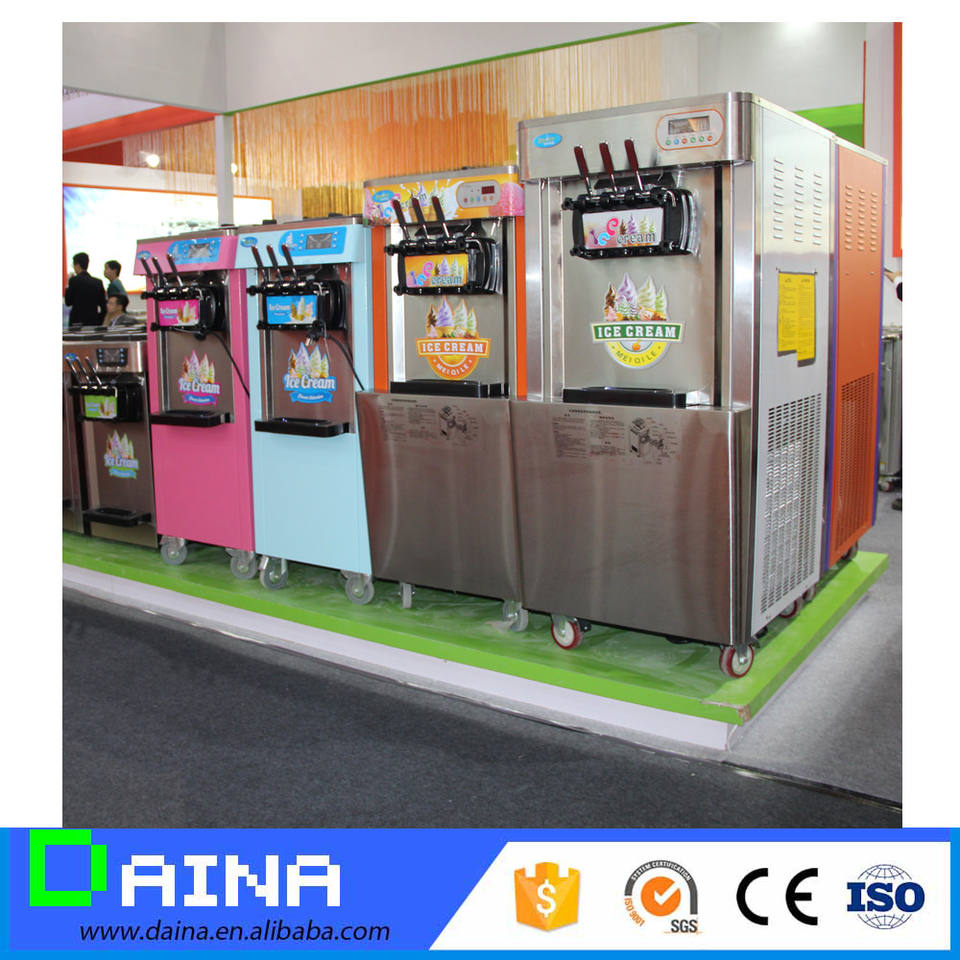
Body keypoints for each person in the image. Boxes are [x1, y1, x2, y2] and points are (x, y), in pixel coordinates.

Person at [64, 252, 106, 327]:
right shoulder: (98, 282)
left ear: (77, 265)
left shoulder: (73, 280)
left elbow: (68, 302)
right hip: (93, 321)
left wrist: (67, 284)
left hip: (76, 322)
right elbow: (103, 305)